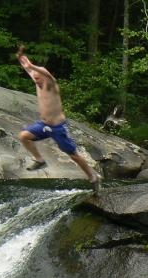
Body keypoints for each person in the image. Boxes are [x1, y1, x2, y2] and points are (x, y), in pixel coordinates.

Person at [16, 46, 101, 191]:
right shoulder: (38, 80)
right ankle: (39, 160)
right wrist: (21, 57)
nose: (36, 80)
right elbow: (27, 67)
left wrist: (32, 65)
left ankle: (93, 177)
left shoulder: (51, 85)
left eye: (38, 77)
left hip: (57, 128)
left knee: (73, 155)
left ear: (45, 76)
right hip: (44, 125)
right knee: (24, 136)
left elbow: (46, 74)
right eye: (34, 77)